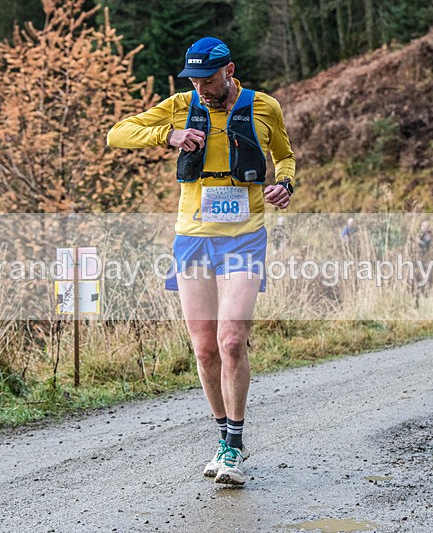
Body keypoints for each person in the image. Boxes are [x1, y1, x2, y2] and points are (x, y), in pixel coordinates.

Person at [107, 37, 295, 485]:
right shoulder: (180, 105)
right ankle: (223, 436)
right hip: (192, 239)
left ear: (229, 71)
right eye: (194, 81)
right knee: (205, 348)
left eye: (207, 80)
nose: (201, 88)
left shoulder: (264, 106)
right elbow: (117, 134)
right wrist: (167, 134)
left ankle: (234, 444)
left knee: (231, 341)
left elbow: (284, 157)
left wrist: (285, 184)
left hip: (244, 237)